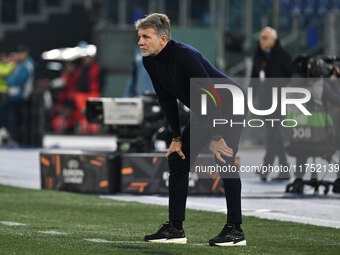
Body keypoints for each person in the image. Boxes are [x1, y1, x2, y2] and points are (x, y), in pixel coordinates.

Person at [137, 13, 246, 246]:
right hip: (205, 109)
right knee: (178, 159)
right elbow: (166, 99)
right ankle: (175, 229)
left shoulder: (184, 56)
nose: (140, 42)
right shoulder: (149, 60)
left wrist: (217, 137)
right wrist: (176, 137)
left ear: (163, 39)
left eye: (146, 37)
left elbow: (212, 96)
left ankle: (235, 231)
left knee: (225, 159)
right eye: (139, 37)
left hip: (228, 105)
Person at [251, 27, 293, 181]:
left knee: (273, 134)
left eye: (265, 38)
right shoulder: (258, 55)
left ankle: (266, 167)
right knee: (275, 136)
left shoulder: (283, 55)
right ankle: (284, 169)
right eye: (261, 37)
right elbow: (254, 78)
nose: (261, 40)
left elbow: (292, 76)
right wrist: (250, 99)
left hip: (279, 101)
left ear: (273, 40)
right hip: (265, 103)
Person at [4, 45, 34, 143]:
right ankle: (9, 134)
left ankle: (14, 137)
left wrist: (10, 80)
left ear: (25, 54)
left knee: (9, 113)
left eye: (21, 53)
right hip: (16, 96)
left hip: (21, 96)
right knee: (9, 113)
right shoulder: (20, 64)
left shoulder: (26, 65)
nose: (19, 55)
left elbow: (16, 80)